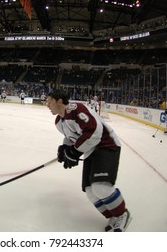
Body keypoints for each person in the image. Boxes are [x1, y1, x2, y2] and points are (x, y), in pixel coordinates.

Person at [46, 89, 131, 232]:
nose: (47, 104)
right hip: (91, 150)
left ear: (59, 101)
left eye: (49, 101)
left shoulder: (76, 109)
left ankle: (122, 214)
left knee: (101, 186)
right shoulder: (59, 122)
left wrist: (74, 152)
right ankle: (114, 216)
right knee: (91, 191)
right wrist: (65, 149)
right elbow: (71, 138)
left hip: (106, 145)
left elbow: (94, 132)